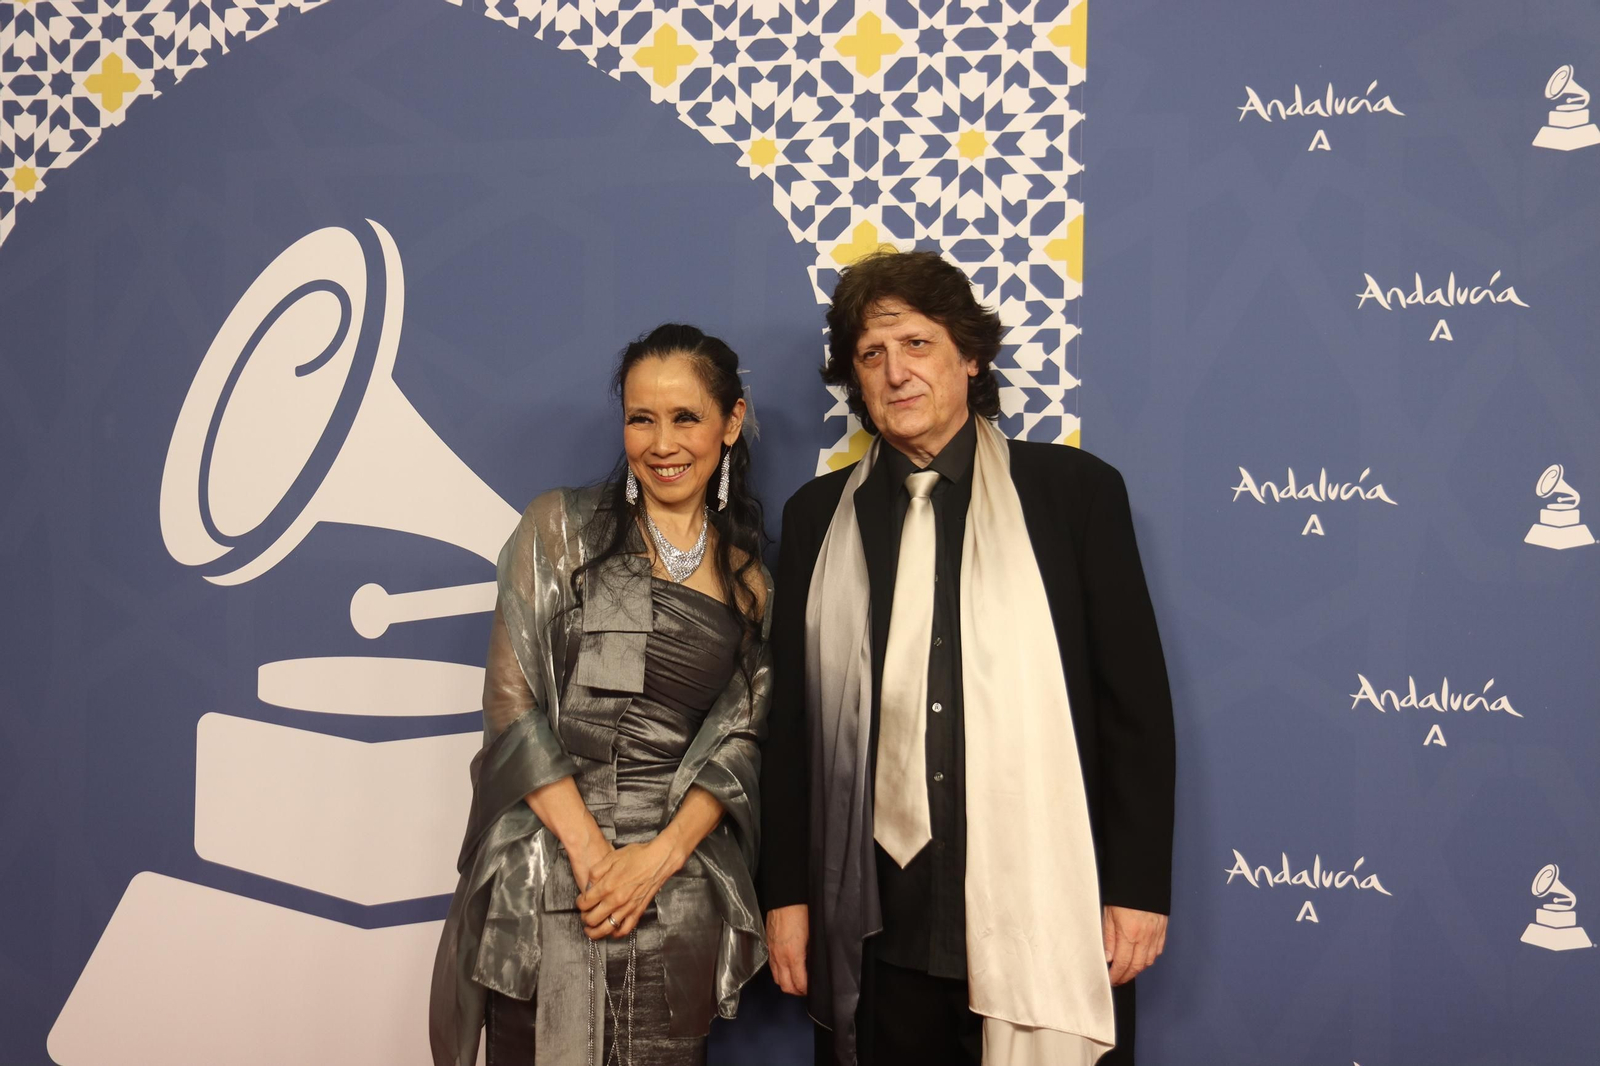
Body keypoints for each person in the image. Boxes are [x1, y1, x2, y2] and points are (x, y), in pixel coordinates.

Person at [760, 252, 1176, 1066]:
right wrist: (788, 897)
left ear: (970, 356)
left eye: (917, 344)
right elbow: (792, 728)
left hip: (1046, 905)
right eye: (872, 355)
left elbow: (1134, 709)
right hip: (875, 926)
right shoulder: (817, 518)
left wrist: (1136, 889)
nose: (896, 372)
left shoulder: (1074, 494)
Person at [430, 324, 771, 1066]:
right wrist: (594, 860)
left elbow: (741, 744)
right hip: (551, 877)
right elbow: (510, 705)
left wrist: (653, 861)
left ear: (731, 422)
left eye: (685, 417)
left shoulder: (749, 581)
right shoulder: (559, 528)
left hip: (675, 892)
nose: (661, 442)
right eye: (641, 418)